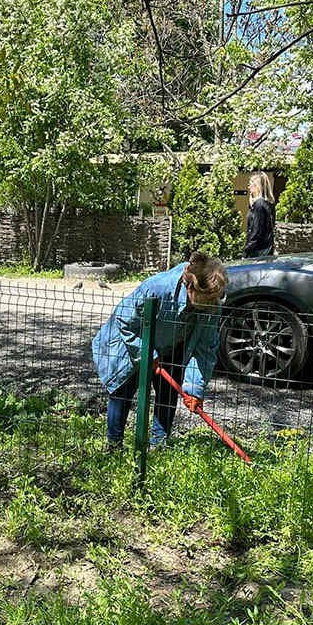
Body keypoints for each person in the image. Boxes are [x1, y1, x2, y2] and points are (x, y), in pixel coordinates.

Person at [91, 251, 227, 450]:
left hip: (172, 347)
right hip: (133, 343)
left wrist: (194, 389)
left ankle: (158, 447)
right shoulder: (157, 288)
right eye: (206, 300)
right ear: (190, 287)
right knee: (122, 393)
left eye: (213, 301)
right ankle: (114, 447)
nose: (210, 306)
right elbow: (124, 321)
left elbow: (205, 348)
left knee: (167, 396)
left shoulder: (212, 305)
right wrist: (147, 354)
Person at [244, 172, 276, 259]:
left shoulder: (259, 204)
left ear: (257, 186)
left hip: (258, 253)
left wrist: (246, 251)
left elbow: (256, 231)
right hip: (265, 251)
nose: (249, 187)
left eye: (250, 184)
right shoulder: (267, 203)